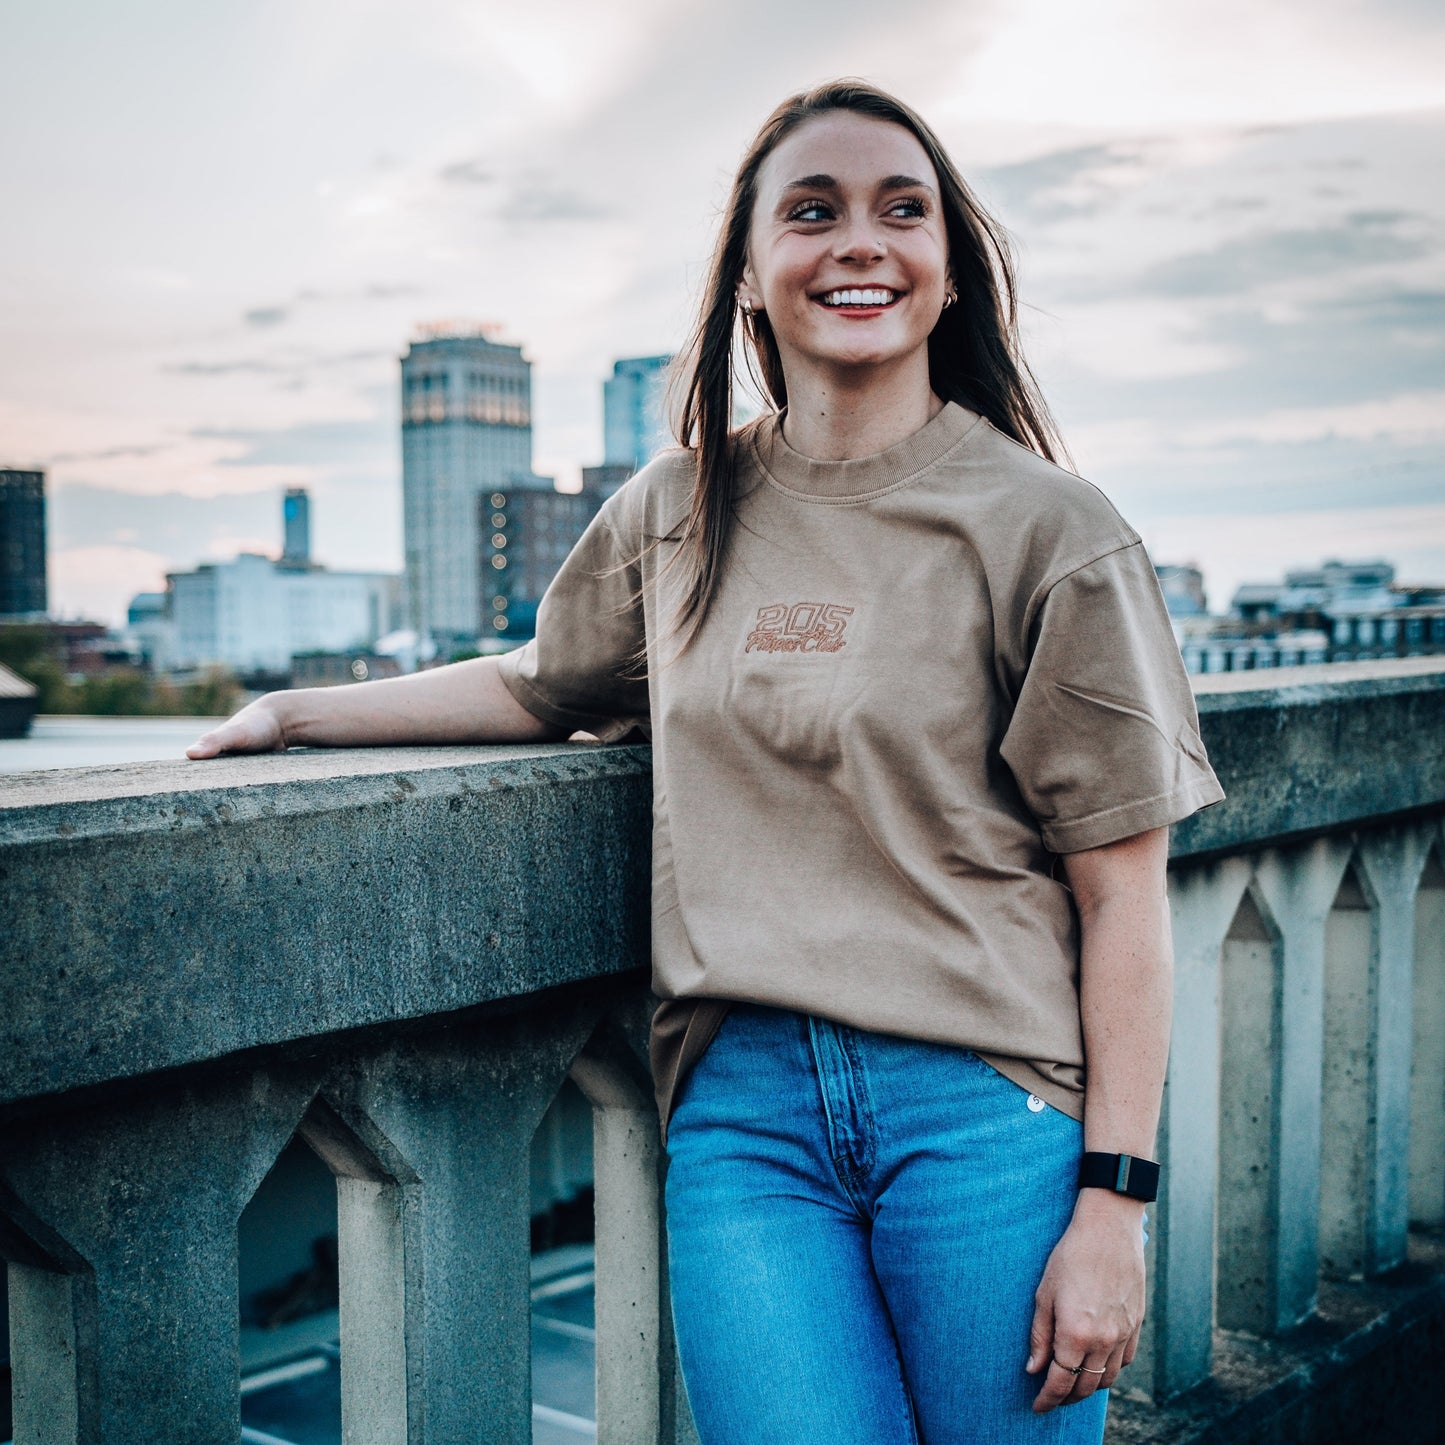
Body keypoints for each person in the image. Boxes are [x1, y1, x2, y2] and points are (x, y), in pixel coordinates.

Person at [190, 80, 1223, 1445]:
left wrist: (1113, 1204)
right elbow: (538, 687)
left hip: (984, 1113)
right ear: (746, 272)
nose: (858, 243)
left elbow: (1123, 894)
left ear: (949, 265)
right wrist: (294, 716)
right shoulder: (675, 511)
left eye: (900, 211)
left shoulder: (1051, 530)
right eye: (812, 212)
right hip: (746, 1122)